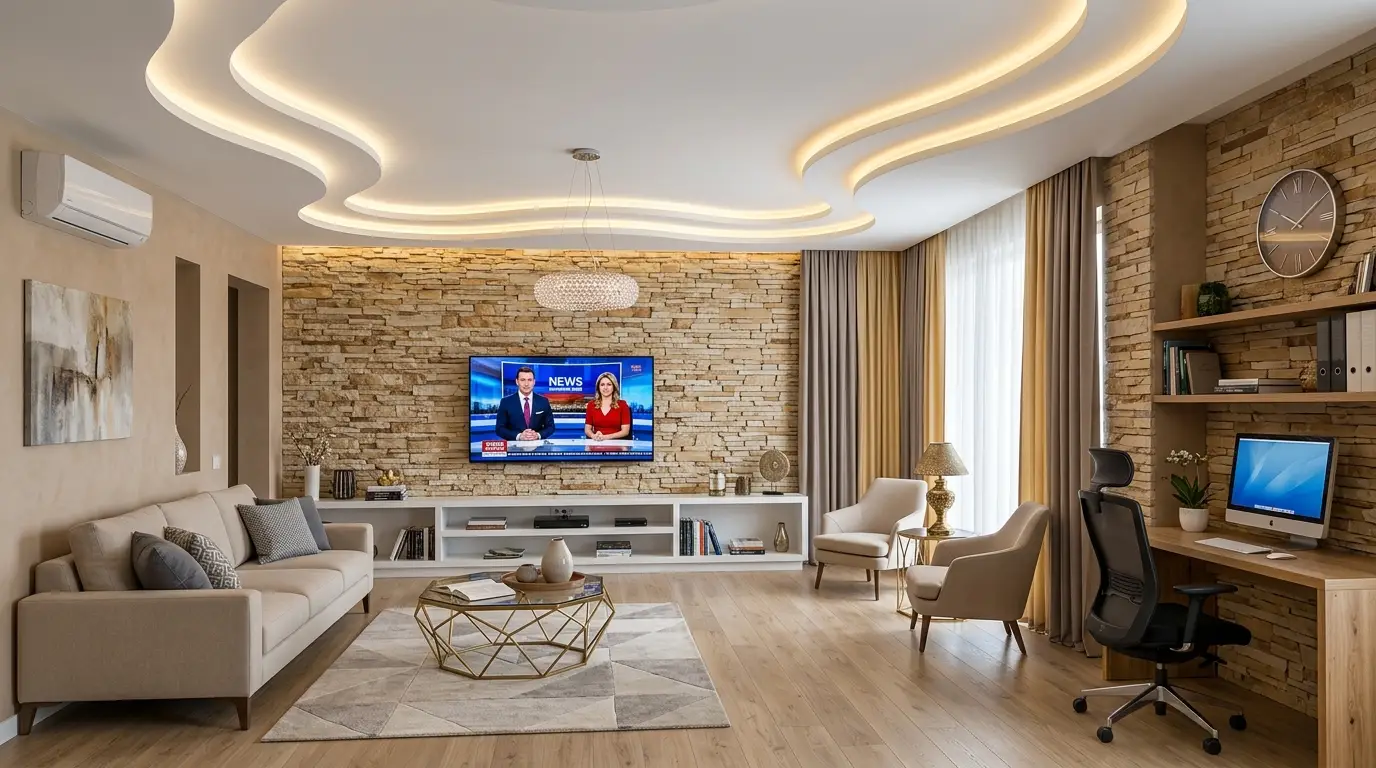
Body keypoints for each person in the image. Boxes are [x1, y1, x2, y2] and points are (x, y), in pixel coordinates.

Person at [495, 366, 556, 441]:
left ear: (534, 382)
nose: (526, 384)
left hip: (538, 446)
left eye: (529, 380)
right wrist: (519, 436)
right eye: (523, 380)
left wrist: (537, 435)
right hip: (514, 446)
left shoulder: (543, 401)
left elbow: (551, 427)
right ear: (517, 382)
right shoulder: (506, 402)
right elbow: (499, 429)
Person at [584, 371, 631, 441]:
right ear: (598, 387)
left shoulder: (622, 405)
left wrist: (606, 437)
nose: (605, 387)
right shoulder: (591, 405)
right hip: (597, 442)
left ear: (614, 387)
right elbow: (587, 429)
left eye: (609, 384)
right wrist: (593, 436)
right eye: (602, 385)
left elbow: (625, 431)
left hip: (617, 444)